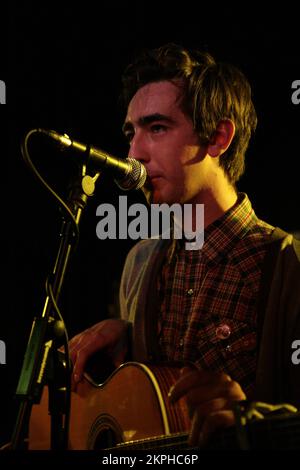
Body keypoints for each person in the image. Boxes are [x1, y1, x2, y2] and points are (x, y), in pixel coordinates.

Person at [68, 43, 300, 448]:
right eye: (131, 132)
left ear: (218, 137)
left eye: (157, 128)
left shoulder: (287, 263)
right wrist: (127, 338)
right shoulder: (139, 262)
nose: (134, 153)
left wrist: (258, 422)